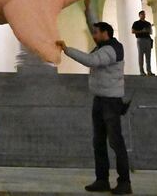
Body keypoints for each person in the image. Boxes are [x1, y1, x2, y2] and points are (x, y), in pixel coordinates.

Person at [56, 21, 132, 195]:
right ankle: (102, 180)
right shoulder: (104, 46)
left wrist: (67, 50)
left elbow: (92, 61)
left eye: (96, 33)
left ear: (105, 33)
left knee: (115, 142)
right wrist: (88, 8)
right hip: (100, 99)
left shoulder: (112, 49)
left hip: (111, 102)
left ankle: (124, 182)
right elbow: (95, 22)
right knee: (98, 142)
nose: (94, 36)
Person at [131, 10, 154, 76]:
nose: (144, 15)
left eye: (144, 14)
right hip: (140, 39)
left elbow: (150, 32)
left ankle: (149, 71)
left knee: (148, 56)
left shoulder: (148, 23)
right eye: (142, 14)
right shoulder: (136, 23)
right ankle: (142, 71)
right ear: (139, 15)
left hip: (148, 39)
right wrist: (142, 31)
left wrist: (149, 29)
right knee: (141, 55)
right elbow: (133, 31)